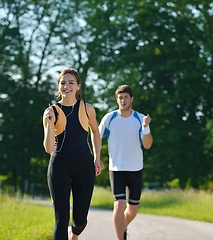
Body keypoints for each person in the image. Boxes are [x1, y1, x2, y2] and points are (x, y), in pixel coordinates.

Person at [42, 67, 103, 240]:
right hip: (59, 165)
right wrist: (49, 125)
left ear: (78, 86)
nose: (66, 86)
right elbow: (48, 148)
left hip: (83, 165)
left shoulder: (87, 109)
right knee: (61, 218)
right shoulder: (51, 112)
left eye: (71, 83)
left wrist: (97, 158)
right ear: (58, 86)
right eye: (63, 83)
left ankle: (74, 235)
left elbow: (95, 133)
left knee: (80, 220)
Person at [99, 84, 153, 240]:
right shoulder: (109, 118)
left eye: (126, 97)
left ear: (131, 99)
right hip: (116, 169)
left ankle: (121, 226)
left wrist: (146, 127)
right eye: (120, 98)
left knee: (132, 210)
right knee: (119, 204)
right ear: (117, 99)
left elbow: (148, 145)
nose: (123, 100)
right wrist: (95, 157)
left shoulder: (140, 119)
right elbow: (96, 136)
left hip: (136, 169)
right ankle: (120, 237)